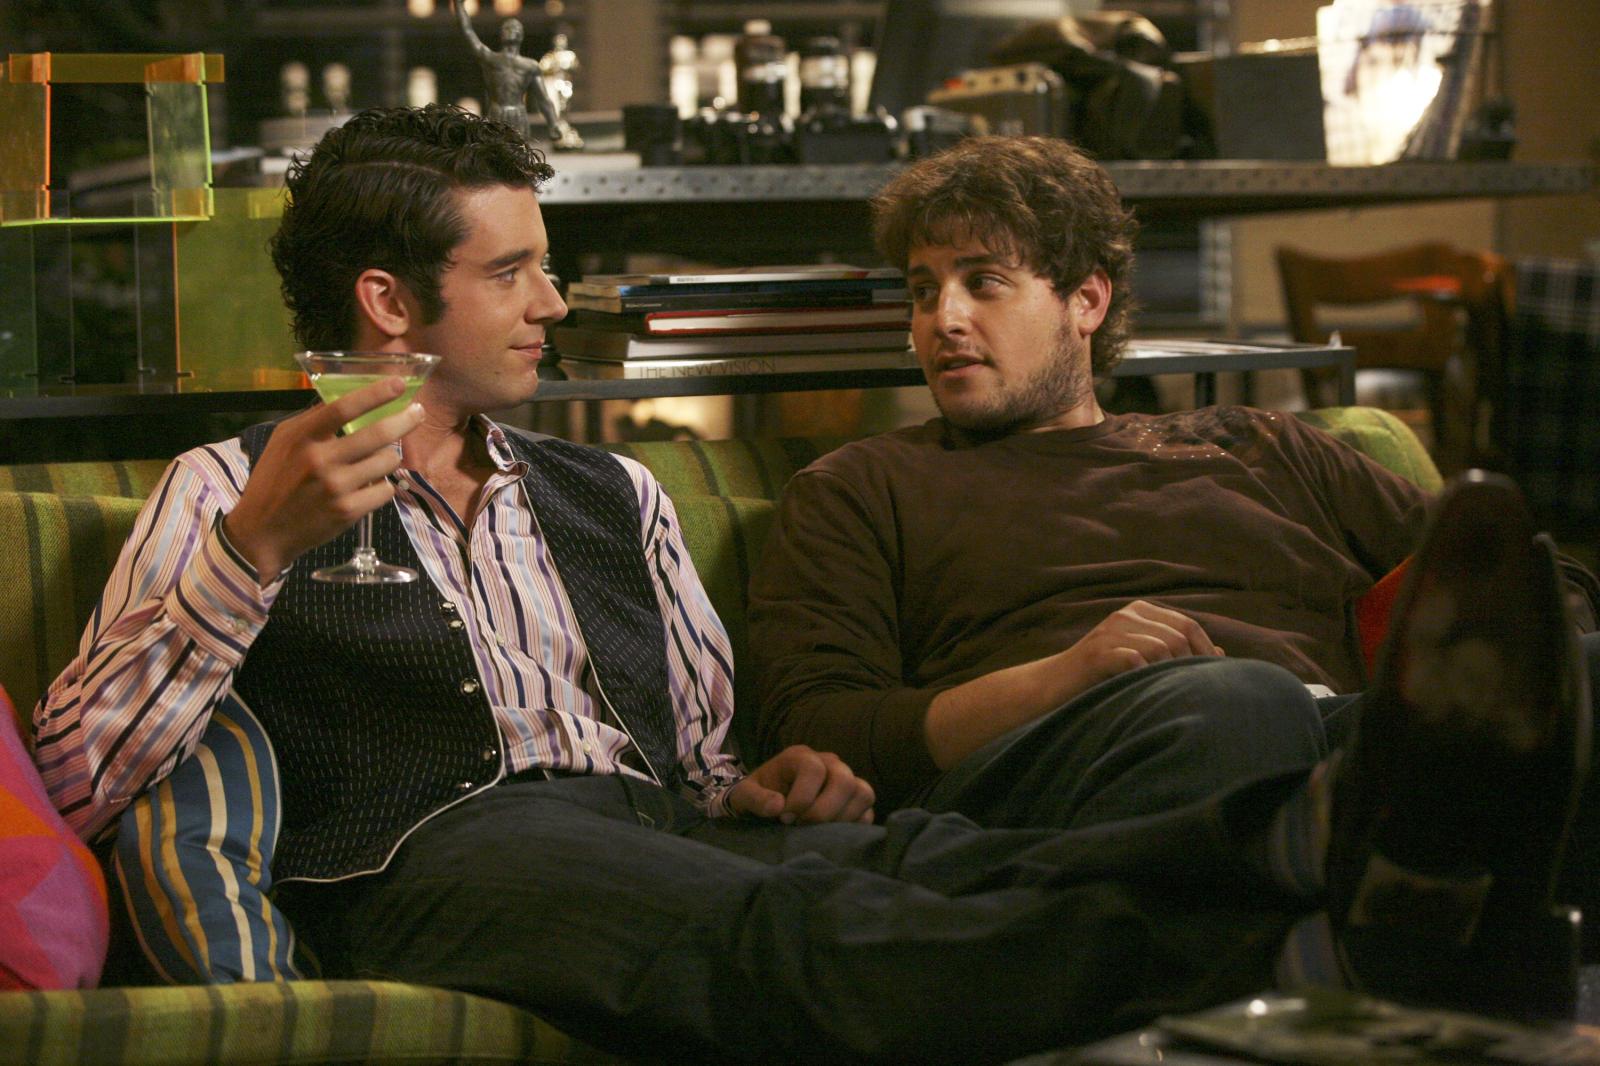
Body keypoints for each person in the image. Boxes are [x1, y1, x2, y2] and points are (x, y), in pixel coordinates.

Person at [28, 111, 1597, 1063]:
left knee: (917, 862)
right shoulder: (227, 489)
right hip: (433, 852)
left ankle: (1333, 837)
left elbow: (716, 757)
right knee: (802, 937)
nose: (556, 301)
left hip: (658, 828)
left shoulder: (615, 492)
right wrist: (253, 558)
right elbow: (79, 773)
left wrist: (768, 779)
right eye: (515, 272)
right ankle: (1321, 930)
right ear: (390, 302)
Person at [453, 0, 581, 149]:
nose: (511, 30)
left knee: (520, 153)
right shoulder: (491, 59)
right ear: (501, 34)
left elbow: (543, 99)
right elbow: (468, 32)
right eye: (507, 28)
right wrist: (459, 6)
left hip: (518, 116)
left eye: (515, 28)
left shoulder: (530, 66)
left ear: (521, 35)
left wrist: (553, 124)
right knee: (494, 154)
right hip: (496, 115)